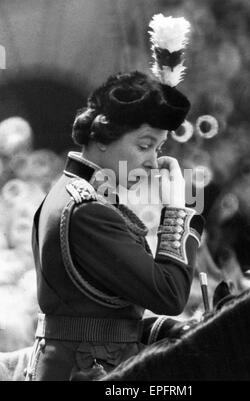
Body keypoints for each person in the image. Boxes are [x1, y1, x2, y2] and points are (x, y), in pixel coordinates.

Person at [25, 71, 204, 381]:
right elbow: (169, 294)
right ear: (103, 137)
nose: (153, 162)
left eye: (158, 149)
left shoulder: (79, 195)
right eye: (144, 145)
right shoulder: (87, 210)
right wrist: (176, 208)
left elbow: (104, 318)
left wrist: (167, 330)